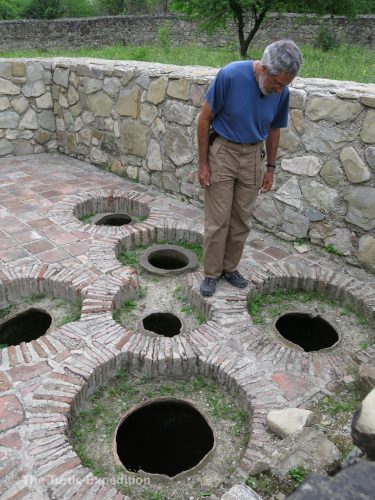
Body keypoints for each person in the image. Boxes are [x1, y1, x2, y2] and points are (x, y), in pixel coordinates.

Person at [197, 39, 303, 297]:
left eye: (285, 86)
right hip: (223, 151)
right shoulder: (231, 75)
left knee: (241, 219)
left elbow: (274, 128)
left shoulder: (281, 92)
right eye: (277, 83)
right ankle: (212, 273)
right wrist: (203, 163)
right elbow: (204, 118)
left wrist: (270, 167)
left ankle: (229, 267)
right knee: (218, 219)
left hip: (254, 155)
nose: (280, 91)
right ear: (263, 69)